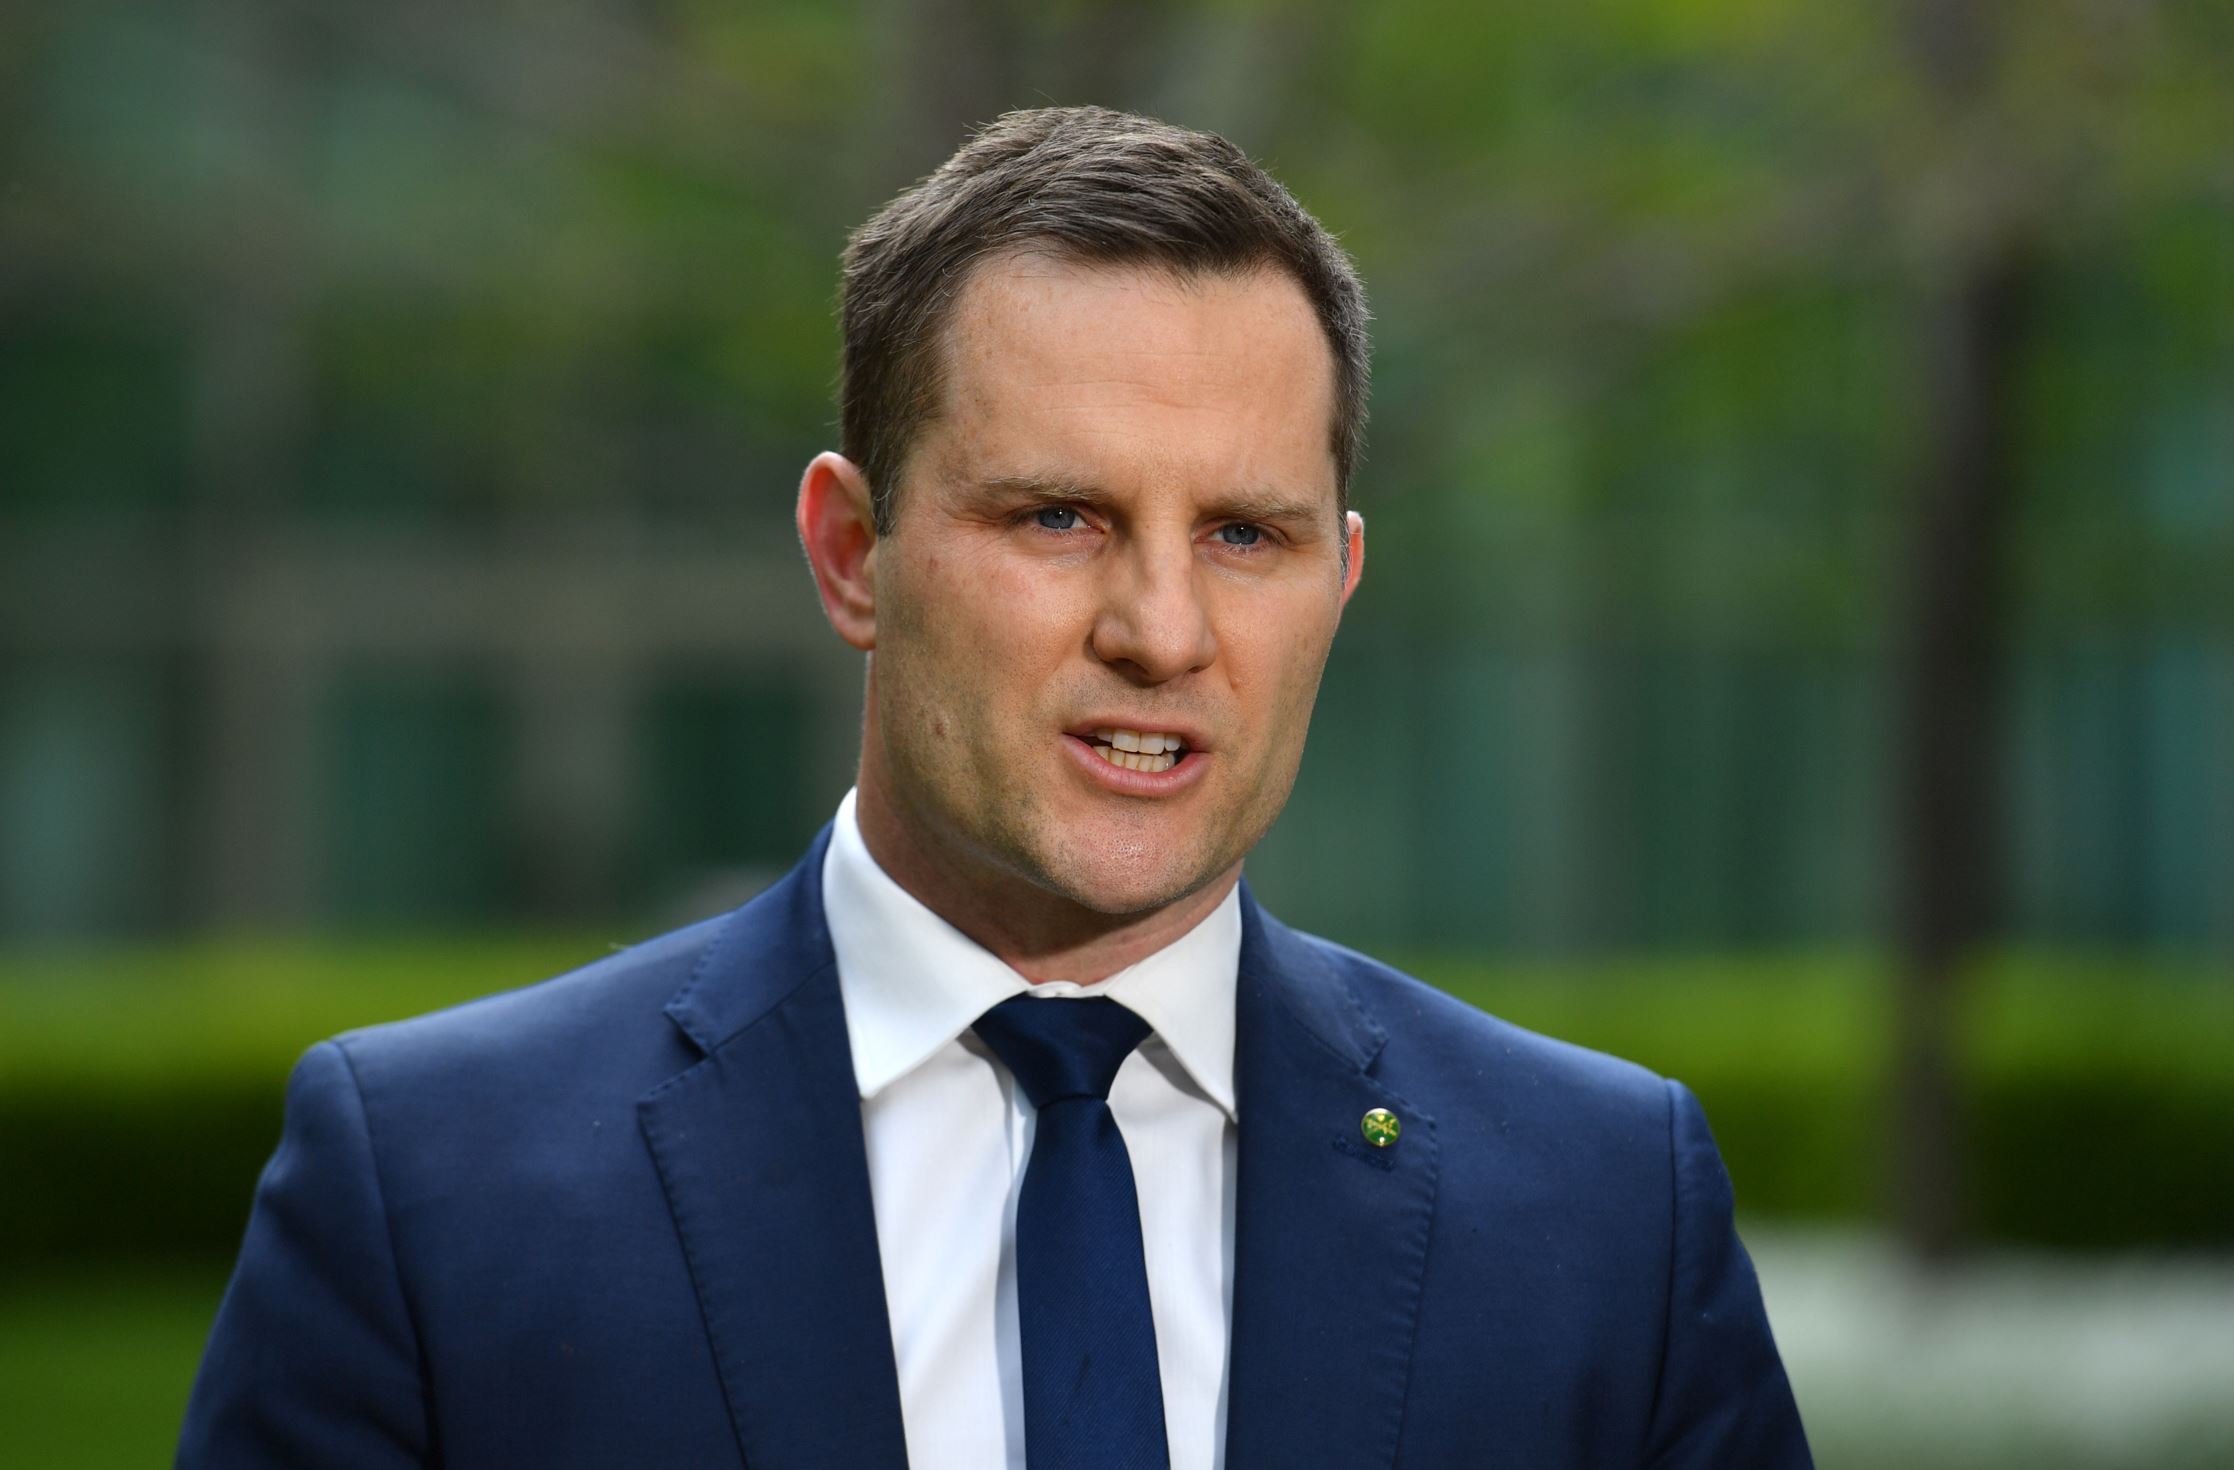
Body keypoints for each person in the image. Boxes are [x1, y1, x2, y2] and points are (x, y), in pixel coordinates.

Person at [178, 106, 1811, 1470]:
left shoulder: (1605, 1213)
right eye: (1058, 518)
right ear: (850, 552)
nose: (1160, 630)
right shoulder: (431, 1194)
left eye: (1244, 534)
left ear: (1341, 579)